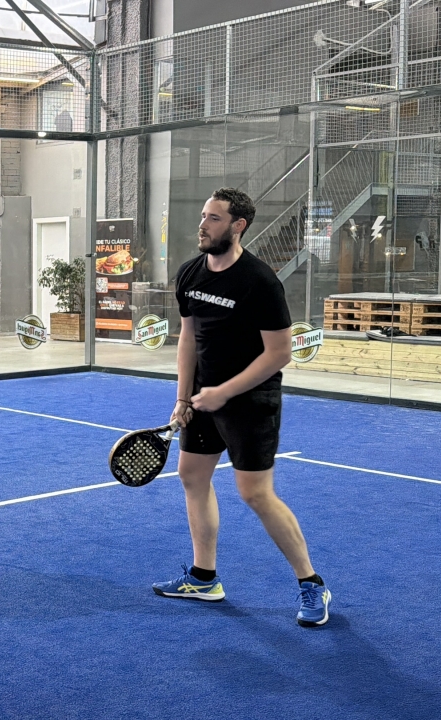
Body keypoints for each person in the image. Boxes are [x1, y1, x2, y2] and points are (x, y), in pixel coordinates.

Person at [154, 187, 331, 628]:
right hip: (203, 400)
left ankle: (312, 583)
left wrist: (223, 392)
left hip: (251, 400)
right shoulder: (190, 273)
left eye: (214, 218)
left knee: (255, 493)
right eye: (203, 215)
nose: (202, 224)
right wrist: (182, 397)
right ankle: (204, 577)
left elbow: (279, 353)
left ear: (238, 226)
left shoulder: (260, 281)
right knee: (192, 476)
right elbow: (189, 337)